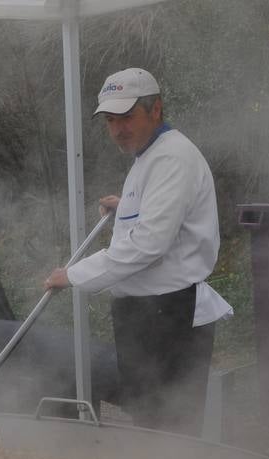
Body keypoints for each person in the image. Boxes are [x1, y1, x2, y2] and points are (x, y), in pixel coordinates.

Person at [44, 68, 231, 437]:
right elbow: (159, 221)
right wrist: (126, 206)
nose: (118, 129)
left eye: (127, 117)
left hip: (167, 316)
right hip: (145, 315)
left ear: (155, 109)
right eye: (111, 121)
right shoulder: (150, 156)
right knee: (149, 425)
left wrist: (74, 275)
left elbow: (149, 243)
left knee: (168, 429)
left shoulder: (171, 157)